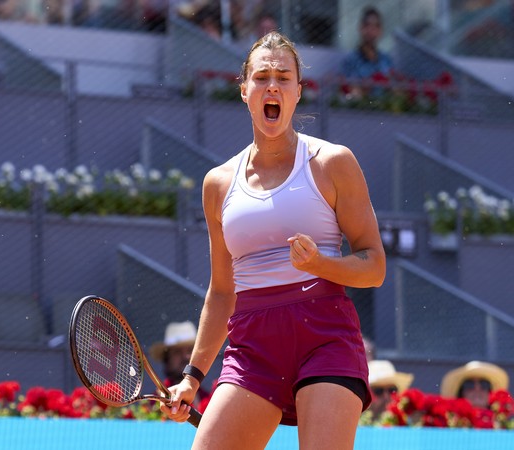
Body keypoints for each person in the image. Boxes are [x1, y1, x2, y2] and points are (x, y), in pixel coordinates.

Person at [161, 31, 386, 450]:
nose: (272, 86)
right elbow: (223, 290)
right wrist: (192, 377)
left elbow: (374, 267)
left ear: (299, 92)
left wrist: (321, 265)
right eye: (262, 76)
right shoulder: (217, 184)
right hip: (252, 347)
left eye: (284, 77)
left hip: (325, 337)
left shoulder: (333, 163)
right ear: (244, 90)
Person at [341, 6, 393, 81]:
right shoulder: (350, 60)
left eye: (375, 26)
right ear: (360, 28)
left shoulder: (386, 60)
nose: (371, 30)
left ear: (380, 31)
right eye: (367, 25)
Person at [440, 361, 510, 409]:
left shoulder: (501, 427)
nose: (477, 388)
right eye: (469, 384)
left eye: (484, 384)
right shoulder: (451, 427)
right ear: (461, 392)